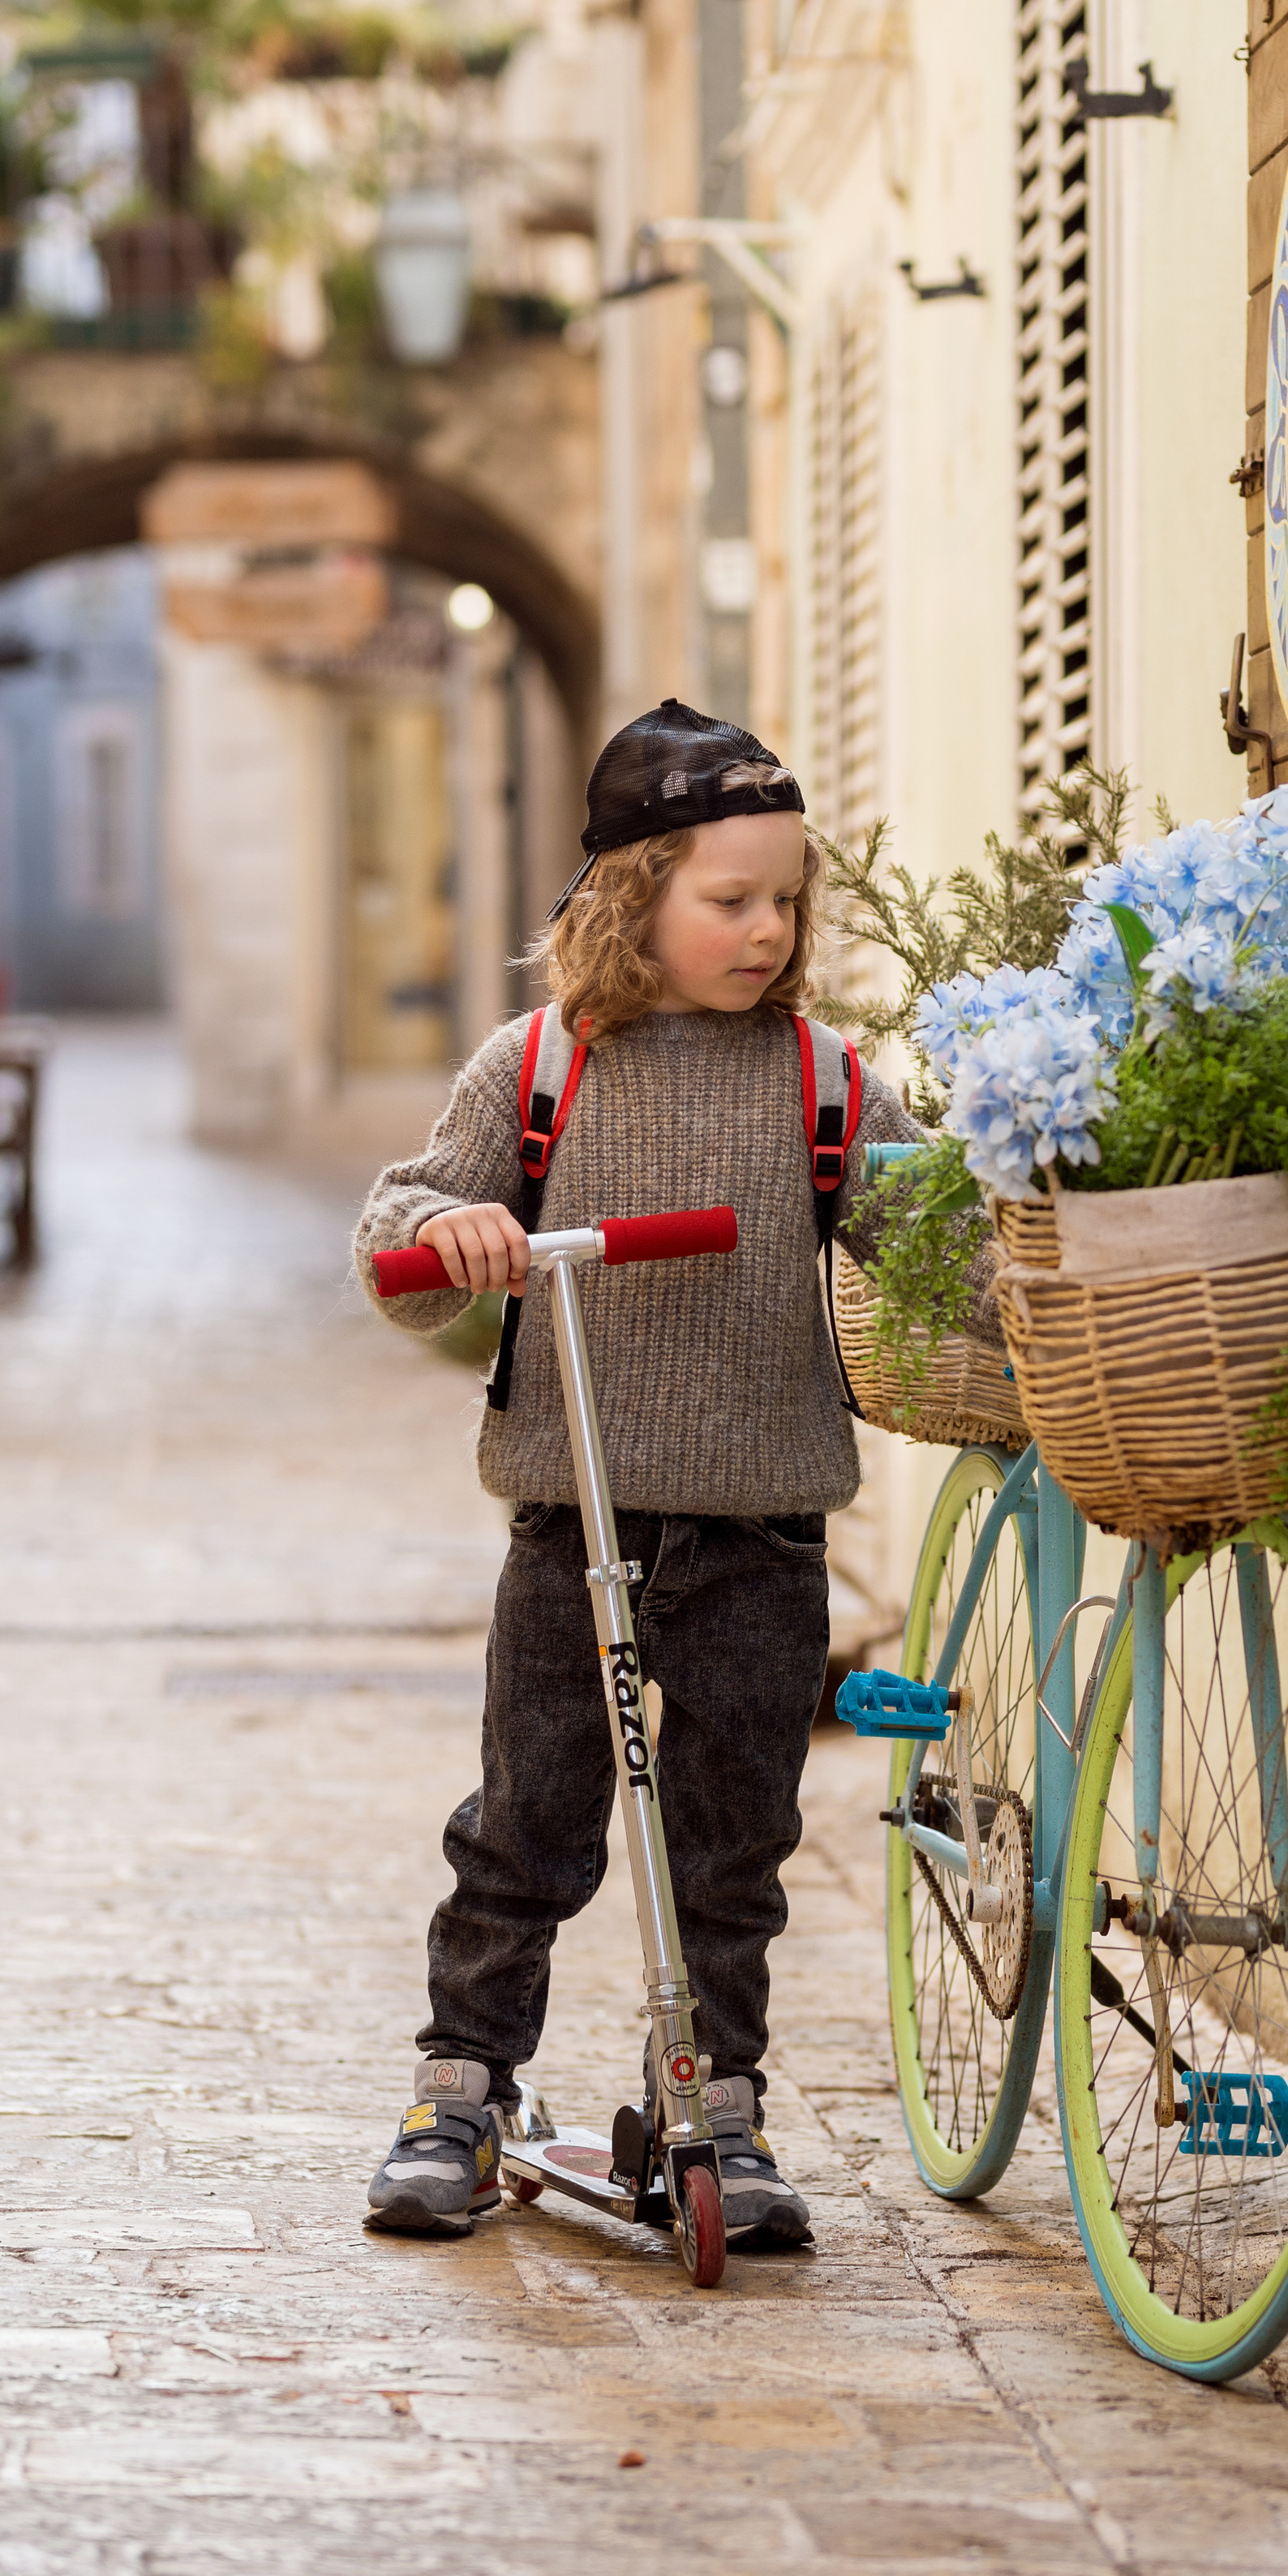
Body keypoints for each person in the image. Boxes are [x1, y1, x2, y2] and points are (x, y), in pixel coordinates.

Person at [353, 699, 921, 2249]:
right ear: (629, 894)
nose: (766, 928)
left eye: (786, 899)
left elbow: (928, 1244)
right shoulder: (538, 1069)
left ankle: (715, 2102)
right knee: (531, 1817)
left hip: (763, 1525)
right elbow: (397, 1229)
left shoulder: (821, 1080)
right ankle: (461, 2086)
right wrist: (445, 1240)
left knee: (735, 1837)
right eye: (729, 899)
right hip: (577, 1520)